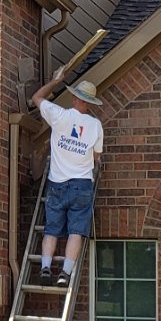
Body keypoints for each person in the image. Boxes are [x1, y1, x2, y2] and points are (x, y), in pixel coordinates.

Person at [30, 66, 103, 286]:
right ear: (89, 103)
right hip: (82, 184)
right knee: (76, 231)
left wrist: (55, 81)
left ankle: (45, 268)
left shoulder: (59, 116)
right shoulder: (96, 125)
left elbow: (36, 97)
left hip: (57, 183)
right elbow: (97, 156)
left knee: (52, 229)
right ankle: (65, 273)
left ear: (74, 98)